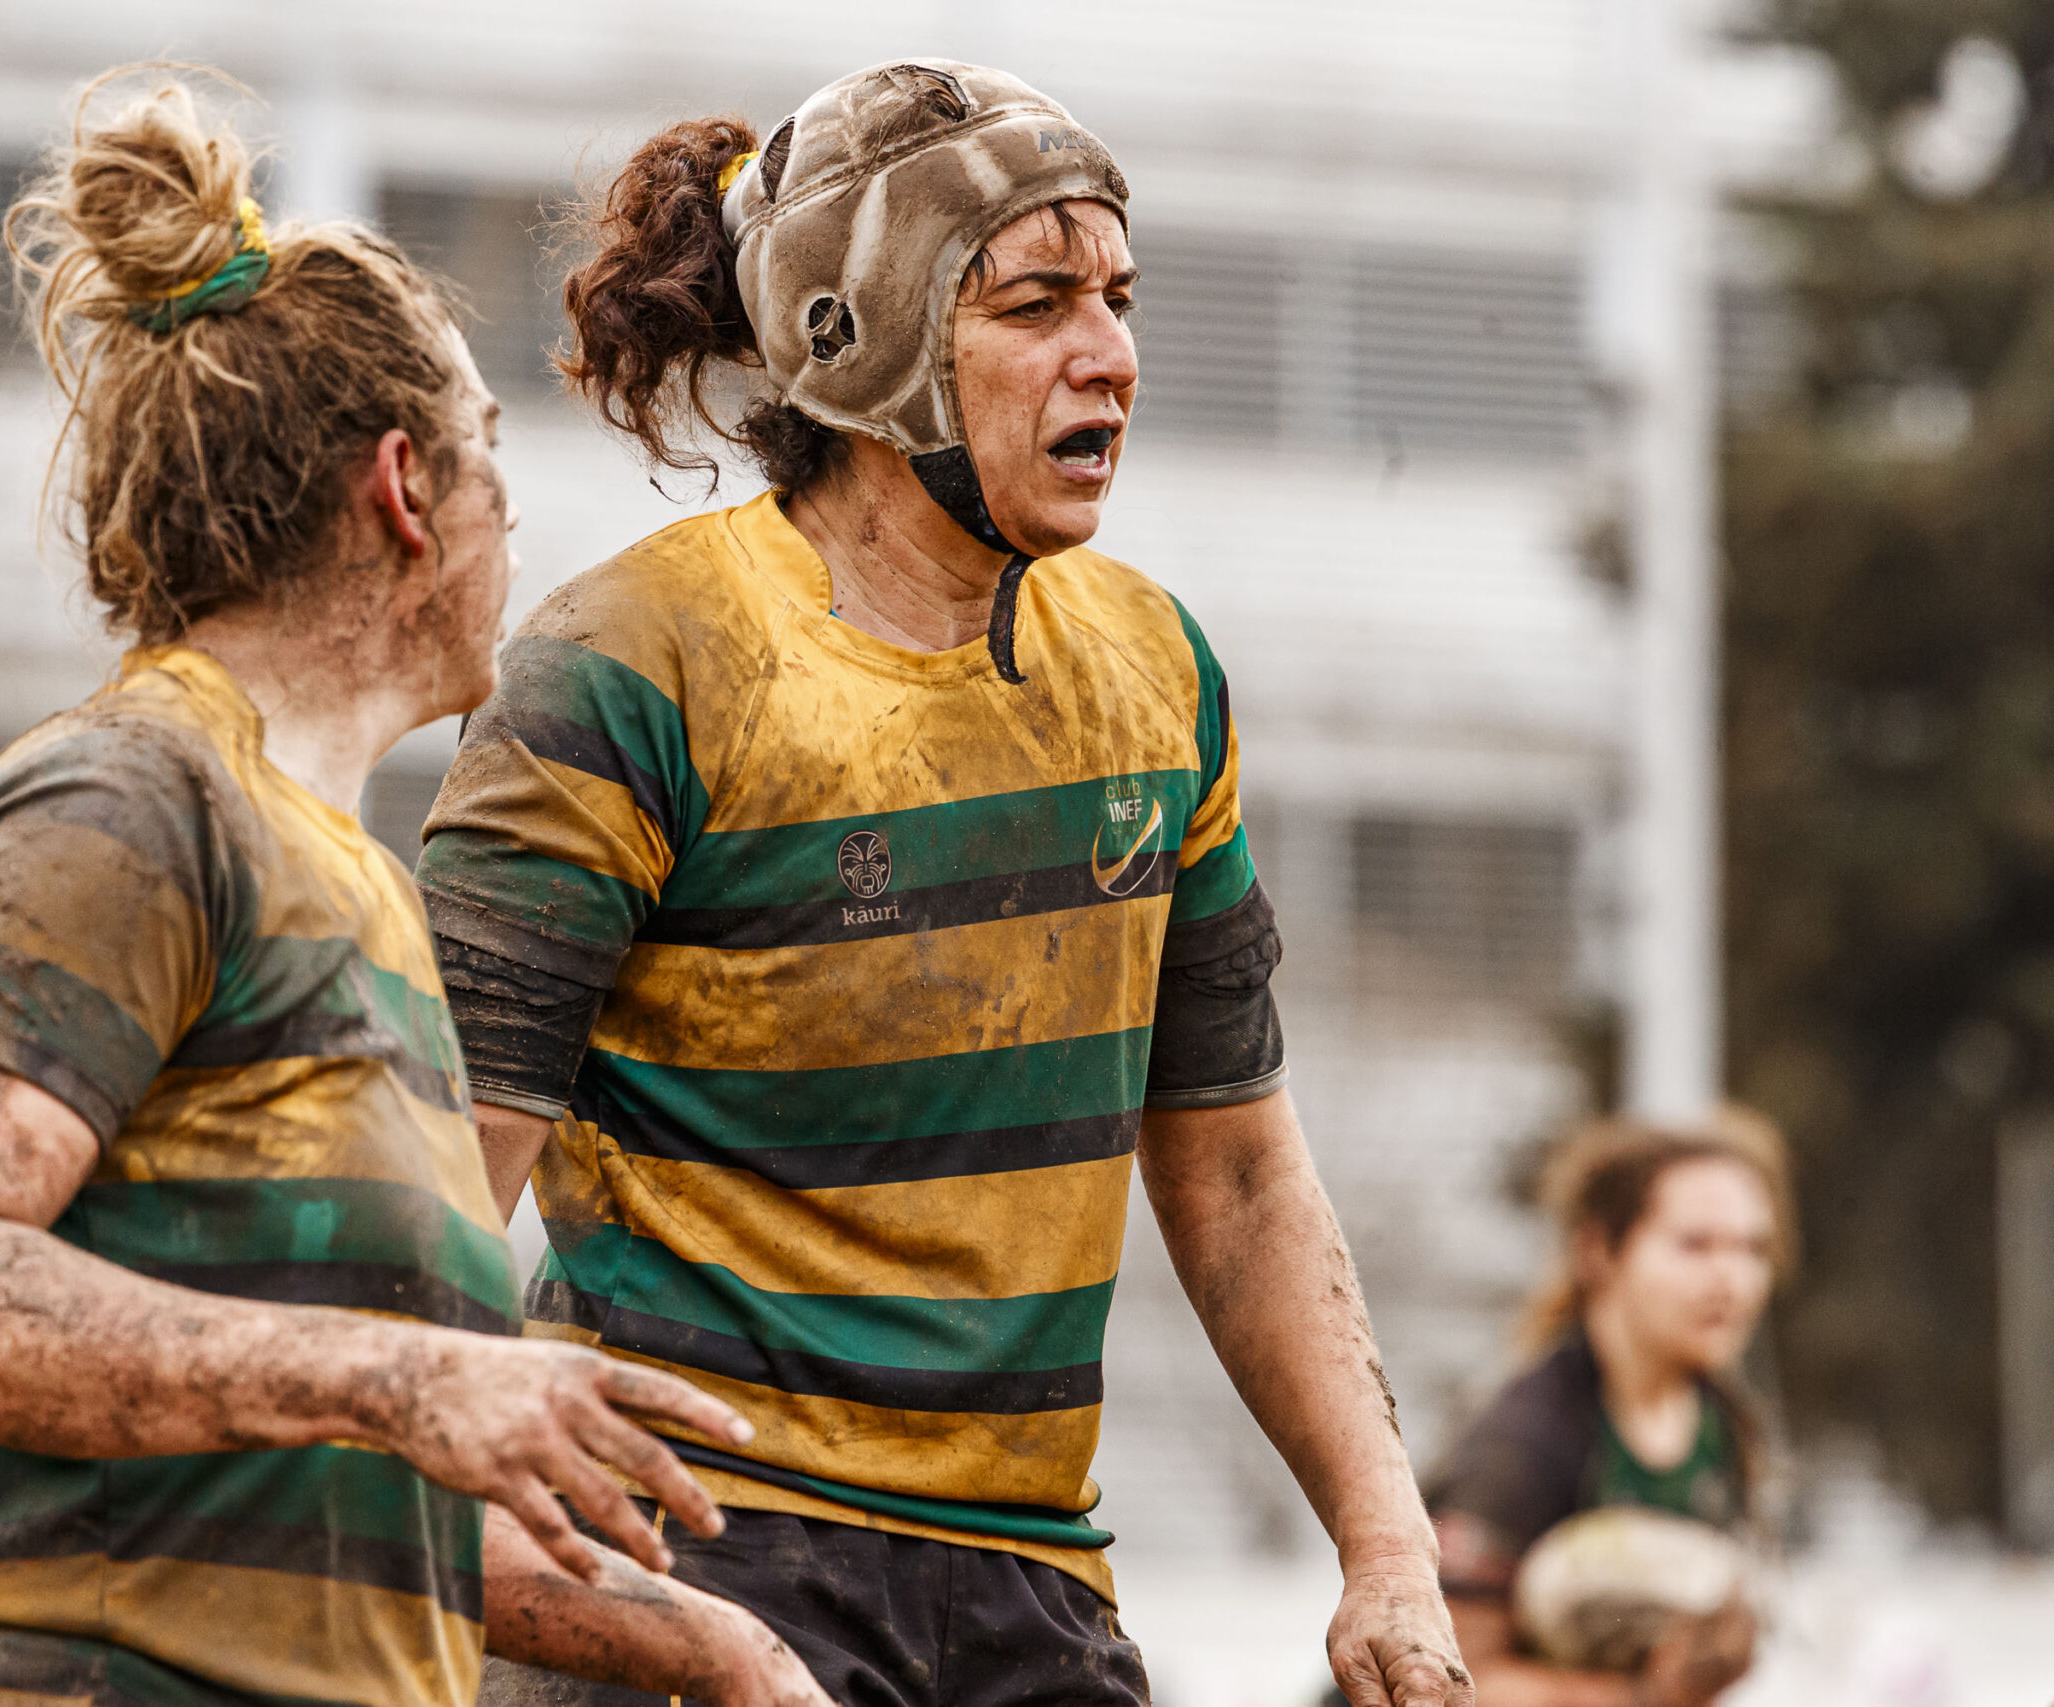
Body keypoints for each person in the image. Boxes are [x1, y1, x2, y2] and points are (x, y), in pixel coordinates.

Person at [413, 58, 1473, 1707]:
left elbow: (1240, 1170)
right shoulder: (631, 665)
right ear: (861, 339)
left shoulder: (1156, 671)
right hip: (677, 1555)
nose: (1109, 352)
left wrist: (1388, 1545)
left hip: (1026, 1574)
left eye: (1119, 297)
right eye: (1036, 304)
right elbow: (423, 1205)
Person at [0, 71, 833, 1707]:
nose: (517, 512)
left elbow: (365, 1480)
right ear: (406, 488)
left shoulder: (358, 896)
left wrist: (717, 1644)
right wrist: (398, 1375)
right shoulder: (127, 797)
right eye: (492, 452)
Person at [1420, 1112, 1791, 1707]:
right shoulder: (1520, 1445)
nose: (1732, 1279)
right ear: (1597, 1249)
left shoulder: (1727, 1425)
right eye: (1696, 1245)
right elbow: (1440, 1689)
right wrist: (1641, 1697)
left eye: (1753, 1248)